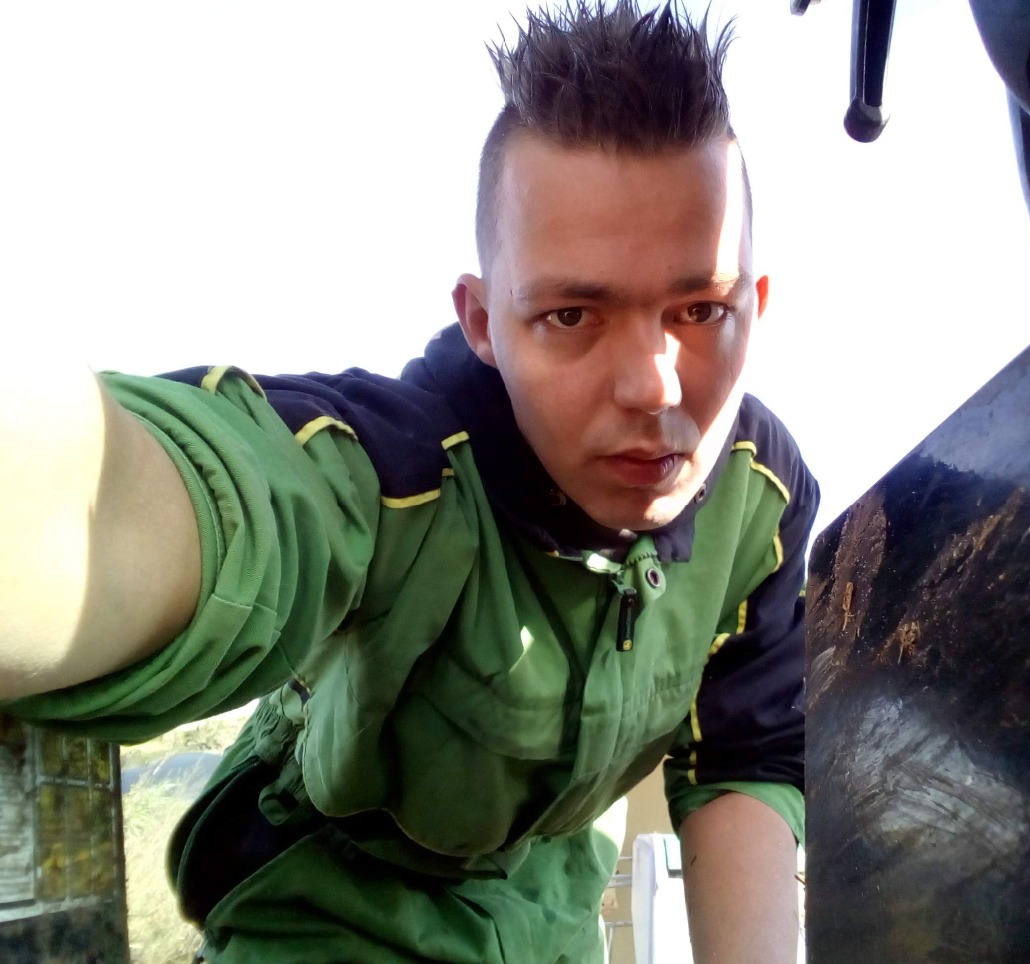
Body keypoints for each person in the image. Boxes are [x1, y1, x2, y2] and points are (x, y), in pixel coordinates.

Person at [0, 1, 818, 961]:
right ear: (483, 322)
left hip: (554, 921)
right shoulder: (397, 473)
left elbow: (742, 758)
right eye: (570, 316)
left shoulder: (762, 499)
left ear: (756, 306)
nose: (654, 387)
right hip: (330, 919)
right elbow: (207, 504)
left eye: (700, 309)